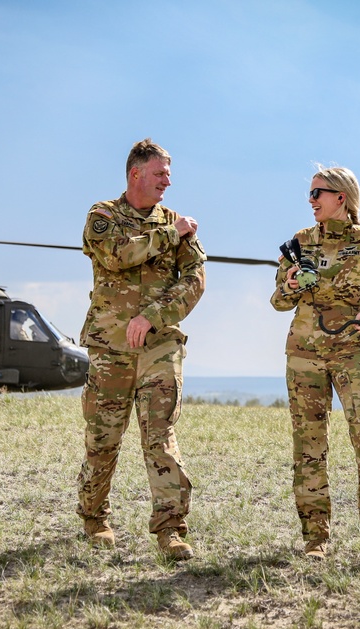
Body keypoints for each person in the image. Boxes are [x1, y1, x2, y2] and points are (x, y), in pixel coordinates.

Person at [76, 138, 207, 560]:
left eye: (169, 173)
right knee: (103, 438)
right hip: (110, 349)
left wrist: (153, 315)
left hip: (159, 346)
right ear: (136, 174)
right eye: (160, 173)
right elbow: (117, 255)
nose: (168, 181)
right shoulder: (103, 216)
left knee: (160, 437)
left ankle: (171, 530)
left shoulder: (178, 222)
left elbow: (195, 280)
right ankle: (95, 519)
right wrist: (171, 233)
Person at [270, 165, 360, 561]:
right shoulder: (299, 242)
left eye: (318, 193)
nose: (310, 201)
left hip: (352, 353)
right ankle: (316, 540)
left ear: (341, 198)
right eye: (310, 194)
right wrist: (292, 284)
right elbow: (278, 301)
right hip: (304, 357)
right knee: (309, 449)